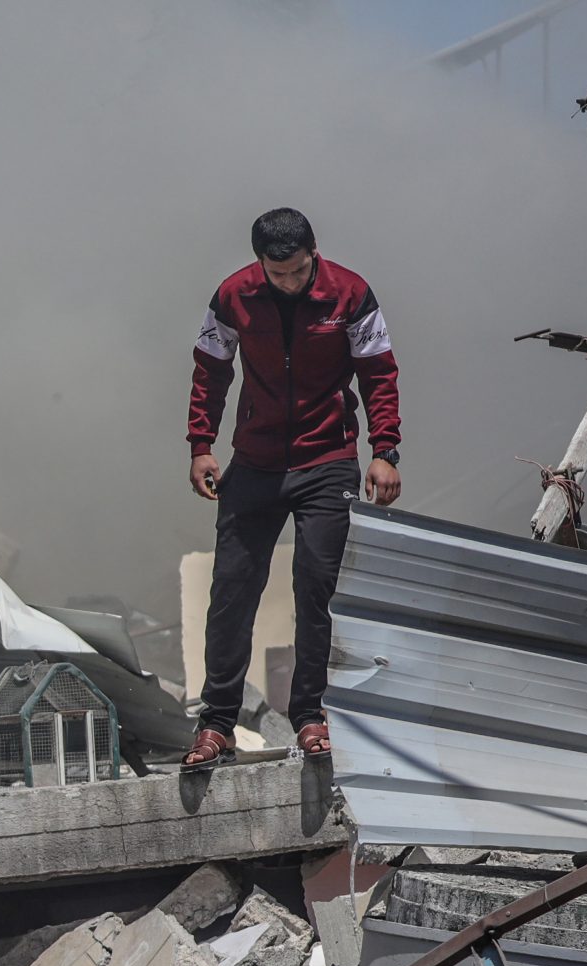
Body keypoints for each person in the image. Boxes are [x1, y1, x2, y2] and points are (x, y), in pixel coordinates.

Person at [186, 206, 401, 767]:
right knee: (231, 592)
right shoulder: (233, 296)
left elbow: (378, 371)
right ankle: (217, 725)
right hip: (253, 464)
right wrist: (201, 445)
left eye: (297, 272)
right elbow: (211, 369)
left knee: (317, 589)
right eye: (276, 274)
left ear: (313, 254)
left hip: (327, 461)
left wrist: (384, 450)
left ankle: (311, 716)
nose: (288, 282)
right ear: (259, 264)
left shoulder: (350, 294)